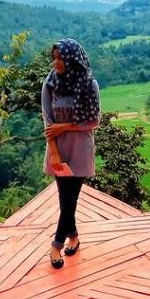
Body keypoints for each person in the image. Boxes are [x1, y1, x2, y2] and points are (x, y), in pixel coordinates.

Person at [41, 38, 101, 269]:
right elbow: (48, 120)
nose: (56, 63)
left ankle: (56, 244)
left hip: (80, 147)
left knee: (69, 199)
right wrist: (54, 152)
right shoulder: (50, 84)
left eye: (60, 58)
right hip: (58, 146)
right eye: (54, 57)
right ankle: (73, 235)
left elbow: (94, 121)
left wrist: (64, 126)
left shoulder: (89, 84)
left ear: (72, 59)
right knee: (65, 198)